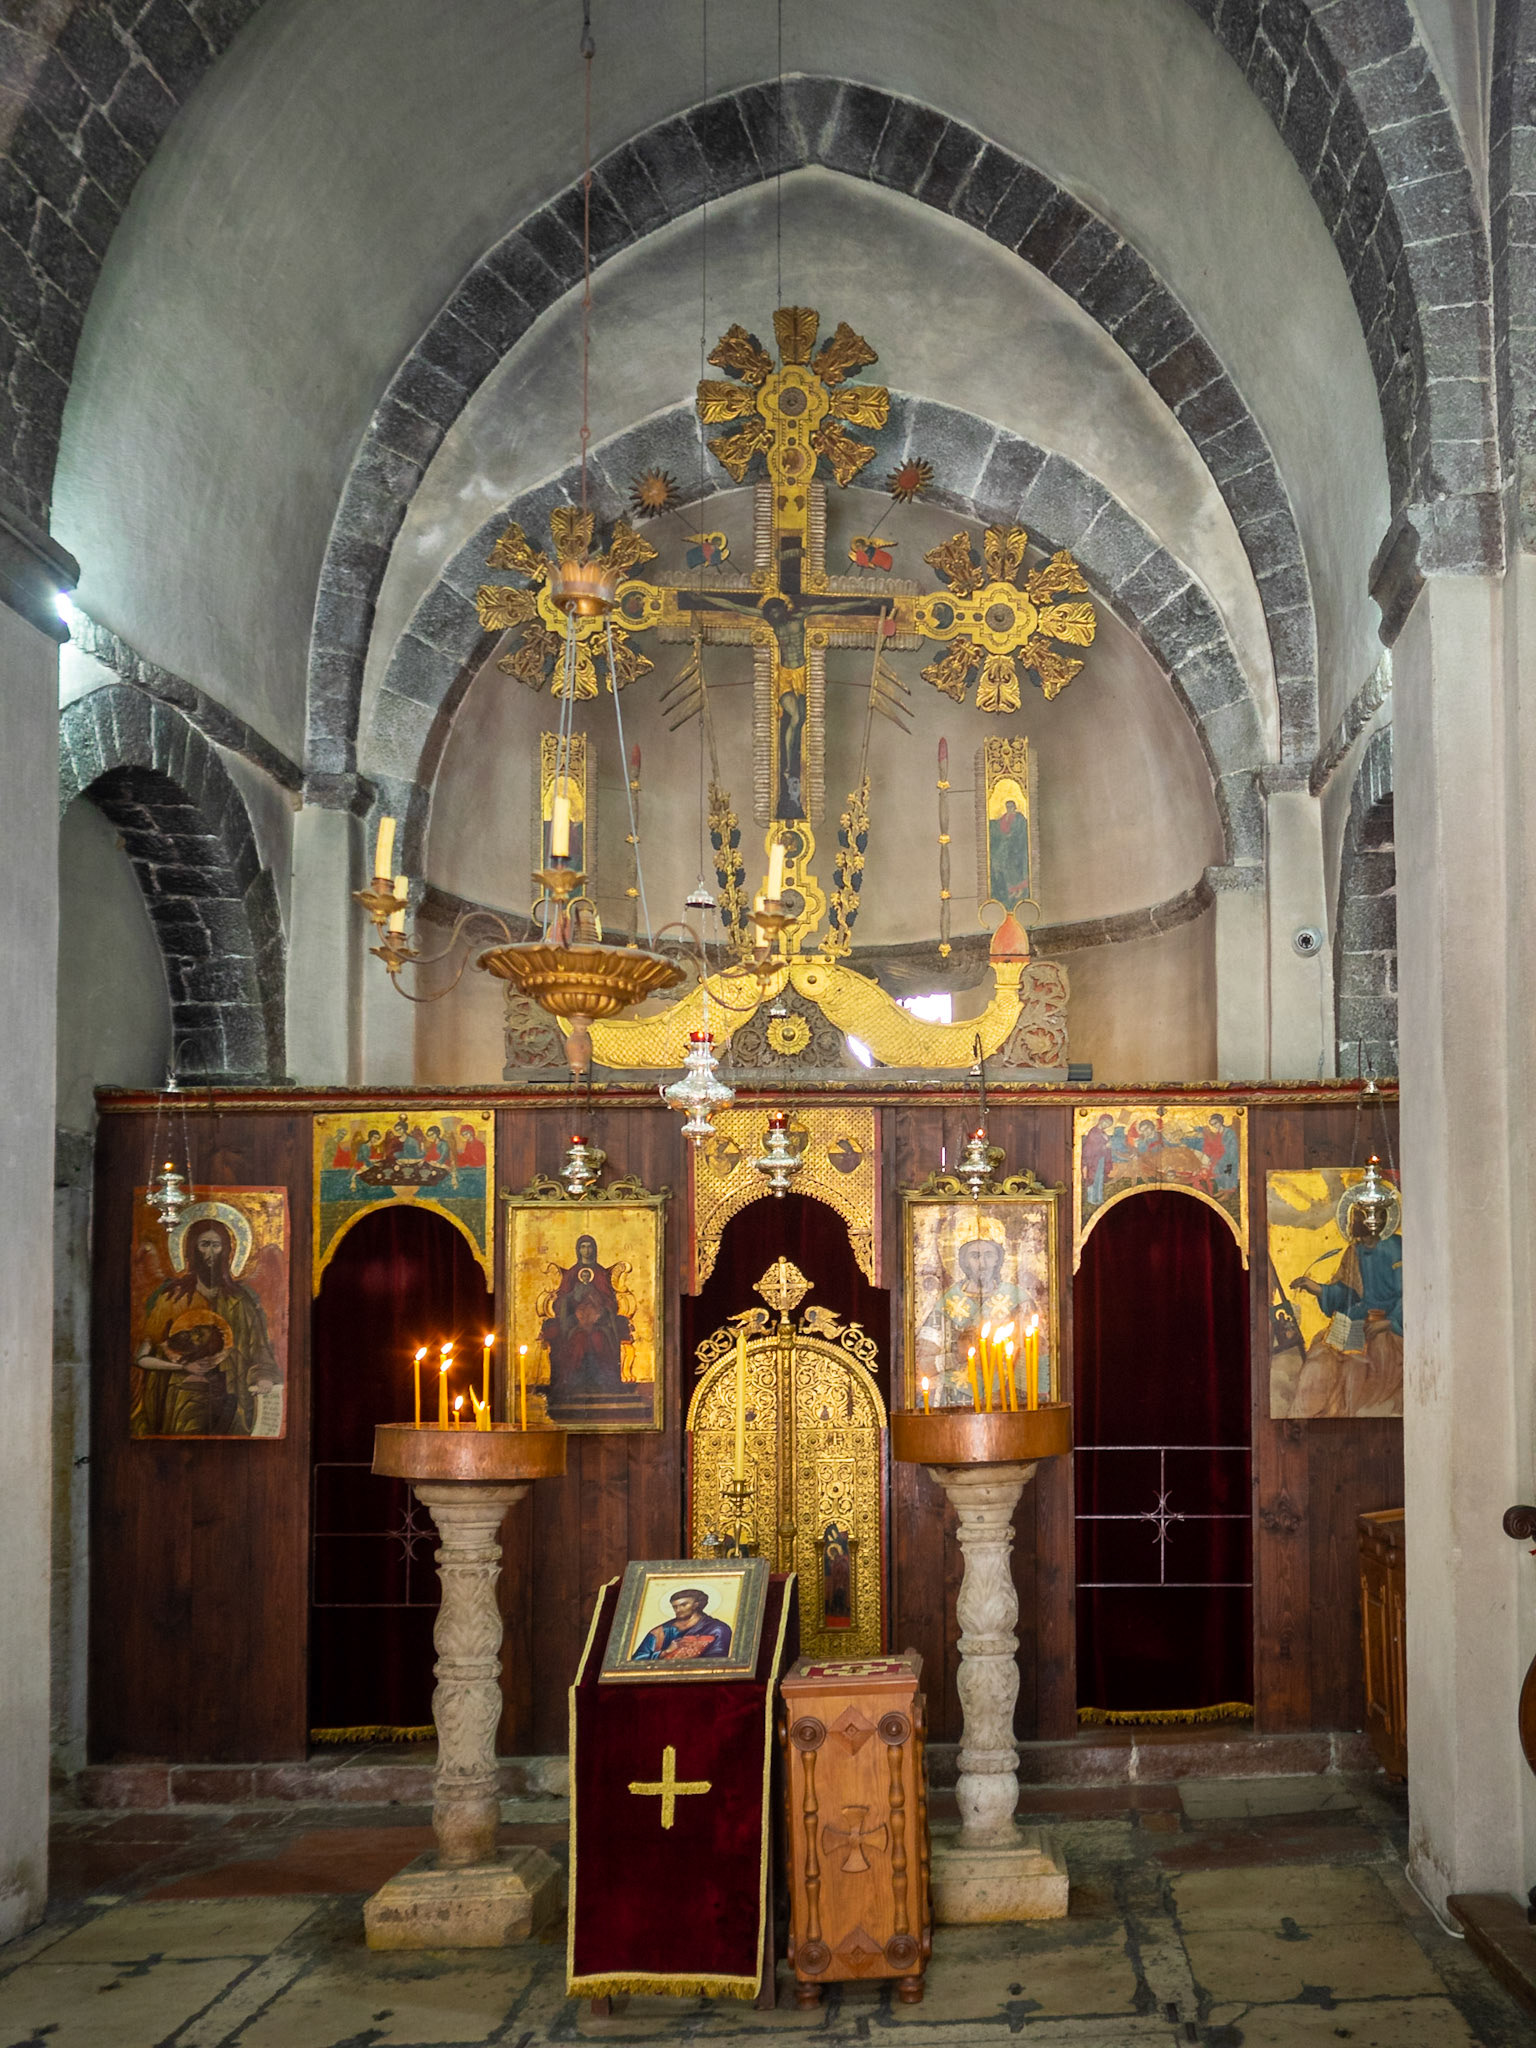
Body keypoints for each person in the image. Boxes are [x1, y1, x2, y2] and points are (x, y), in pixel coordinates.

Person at [132, 1218, 279, 1437]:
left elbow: (260, 1351)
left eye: (216, 1245)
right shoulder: (172, 1298)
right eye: (204, 1244)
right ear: (192, 1249)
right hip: (183, 1395)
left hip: (231, 1395)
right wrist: (183, 1367)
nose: (210, 1252)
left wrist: (264, 1378)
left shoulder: (241, 1301)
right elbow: (142, 1357)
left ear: (227, 1250)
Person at [1290, 1187, 1403, 1417]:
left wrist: (1388, 1323)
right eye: (1358, 1216)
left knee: (1356, 1366)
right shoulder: (1355, 1251)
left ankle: (1346, 1413)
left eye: (1375, 1214)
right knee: (1320, 1353)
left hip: (1388, 1328)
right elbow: (1347, 1293)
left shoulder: (1396, 1248)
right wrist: (1317, 1289)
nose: (1357, 1221)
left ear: (1382, 1218)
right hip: (1354, 1323)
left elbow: (1411, 1294)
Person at [540, 1232, 633, 1407]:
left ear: (595, 1249)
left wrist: (599, 1306)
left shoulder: (600, 1273)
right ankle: (571, 1384)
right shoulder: (571, 1274)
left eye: (589, 1246)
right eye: (583, 1246)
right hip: (575, 1324)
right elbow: (560, 1302)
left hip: (599, 1323)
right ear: (578, 1249)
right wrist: (572, 1299)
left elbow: (611, 1302)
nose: (586, 1250)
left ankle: (605, 1384)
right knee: (578, 1340)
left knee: (598, 1339)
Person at [633, 1587, 733, 1661]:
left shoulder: (718, 1629)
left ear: (696, 1605)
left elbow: (718, 1660)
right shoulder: (661, 1632)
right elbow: (637, 1660)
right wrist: (666, 1652)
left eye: (683, 1605)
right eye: (675, 1607)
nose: (678, 1610)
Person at [988, 796, 1030, 911]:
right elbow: (999, 828)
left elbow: (1020, 830)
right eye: (1007, 806)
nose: (1009, 808)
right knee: (1003, 865)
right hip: (1005, 844)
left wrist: (1012, 837)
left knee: (1014, 867)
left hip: (1015, 846)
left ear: (1015, 807)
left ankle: (1019, 889)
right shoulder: (1004, 817)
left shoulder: (1019, 817)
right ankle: (1012, 890)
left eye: (1011, 806)